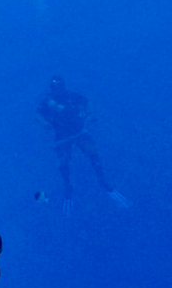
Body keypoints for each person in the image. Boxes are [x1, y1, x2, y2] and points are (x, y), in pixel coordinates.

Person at [37, 76, 130, 215]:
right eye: (55, 86)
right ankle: (68, 186)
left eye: (60, 85)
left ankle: (103, 180)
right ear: (52, 88)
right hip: (62, 137)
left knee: (93, 154)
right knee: (64, 163)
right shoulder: (47, 101)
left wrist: (91, 114)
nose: (58, 89)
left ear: (64, 85)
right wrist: (44, 123)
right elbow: (39, 114)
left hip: (79, 131)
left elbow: (87, 103)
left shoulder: (73, 96)